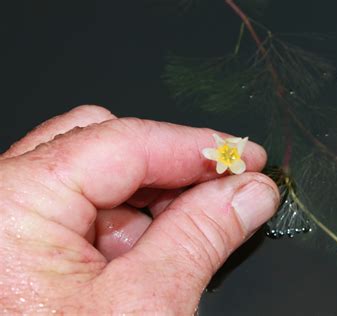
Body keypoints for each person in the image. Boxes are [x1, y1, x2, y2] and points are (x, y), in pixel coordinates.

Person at [0, 105, 279, 314]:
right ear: (222, 153)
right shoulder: (219, 157)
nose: (230, 155)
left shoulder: (229, 157)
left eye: (231, 154)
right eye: (227, 153)